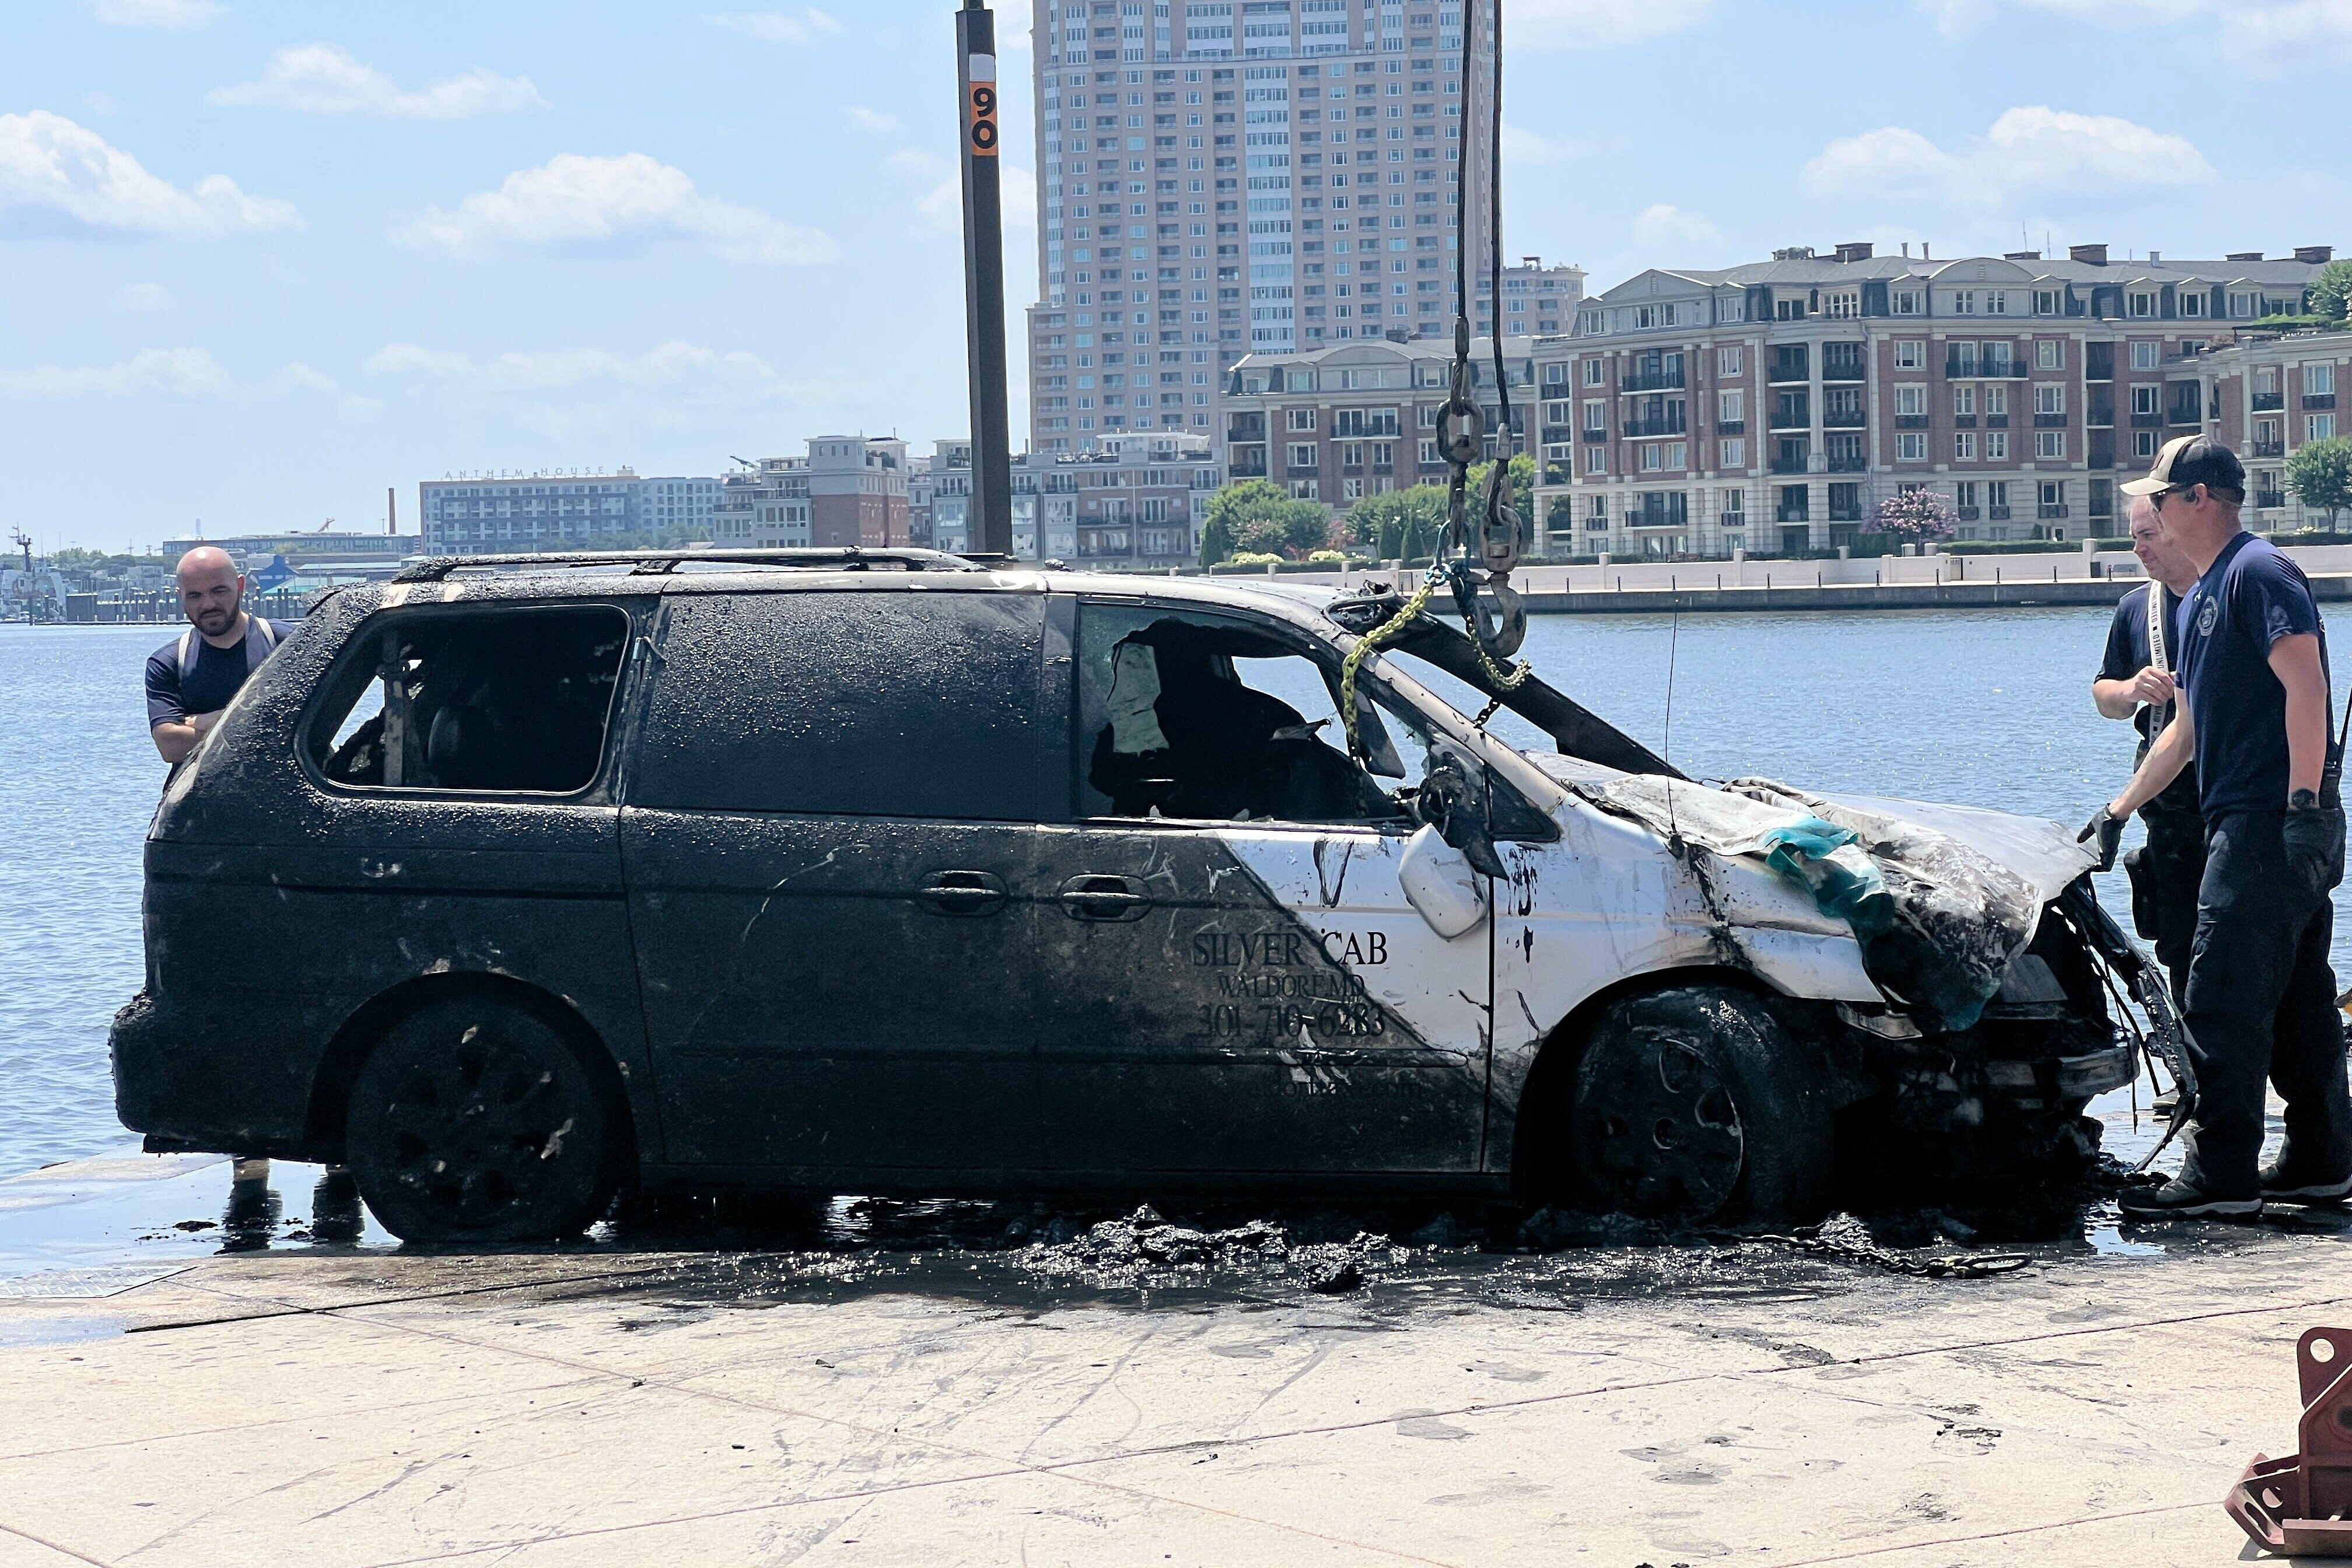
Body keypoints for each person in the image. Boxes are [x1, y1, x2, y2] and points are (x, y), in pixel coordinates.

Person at [2090, 435, 2352, 1218]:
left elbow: (2305, 690)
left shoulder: (2259, 573)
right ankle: (2320, 1161)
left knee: (2221, 994)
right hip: (2246, 817)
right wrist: (2117, 811)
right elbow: (2185, 732)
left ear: (2198, 498)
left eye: (2162, 501)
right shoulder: (2207, 595)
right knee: (2299, 999)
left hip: (2269, 821)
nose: (2157, 516)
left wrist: (2305, 808)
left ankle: (2220, 1176)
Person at [2088, 497, 2204, 1014]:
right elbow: (2103, 697)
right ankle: (2192, 1076)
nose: (2137, 549)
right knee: (2178, 942)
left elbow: (2191, 735)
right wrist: (2132, 688)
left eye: (2148, 536)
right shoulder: (2137, 608)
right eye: (2134, 537)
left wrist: (2118, 809)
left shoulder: (2222, 597)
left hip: (2227, 801)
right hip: (2166, 809)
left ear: (2180, 529)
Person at [145, 546, 290, 768]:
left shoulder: (286, 643)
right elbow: (170, 746)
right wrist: (262, 721)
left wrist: (208, 720)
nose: (208, 604)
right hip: (201, 801)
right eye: (195, 596)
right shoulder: (168, 663)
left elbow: (315, 722)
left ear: (240, 586)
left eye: (219, 591)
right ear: (180, 596)